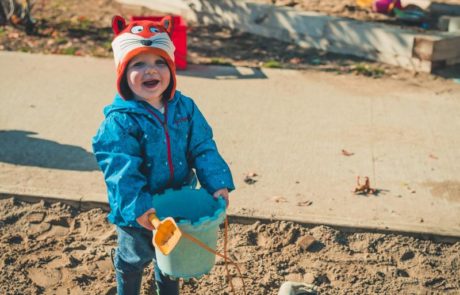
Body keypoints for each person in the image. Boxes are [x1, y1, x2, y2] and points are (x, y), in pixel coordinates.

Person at [92, 15, 235, 295]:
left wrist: (216, 182)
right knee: (136, 257)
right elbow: (121, 170)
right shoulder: (119, 122)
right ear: (122, 72)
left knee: (172, 257)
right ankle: (126, 285)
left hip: (175, 200)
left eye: (160, 62)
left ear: (171, 68)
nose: (151, 70)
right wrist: (138, 206)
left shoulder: (185, 108)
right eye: (138, 63)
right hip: (140, 213)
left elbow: (202, 147)